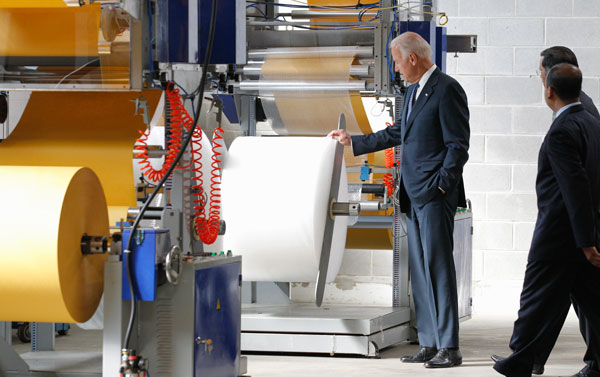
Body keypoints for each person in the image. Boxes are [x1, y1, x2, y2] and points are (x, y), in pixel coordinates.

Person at [328, 31, 470, 368]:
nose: (395, 68)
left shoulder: (447, 89)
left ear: (413, 58)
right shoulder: (411, 92)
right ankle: (429, 341)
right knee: (419, 272)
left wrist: (441, 187)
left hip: (434, 196)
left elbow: (458, 146)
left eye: (396, 61)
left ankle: (449, 346)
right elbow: (397, 133)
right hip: (411, 194)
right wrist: (354, 141)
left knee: (439, 268)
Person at [492, 46, 600, 377]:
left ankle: (521, 361)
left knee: (536, 298)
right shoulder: (592, 121)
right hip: (583, 231)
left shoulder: (562, 131)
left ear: (549, 89)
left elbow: (575, 188)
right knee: (592, 303)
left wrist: (585, 241)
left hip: (560, 233)